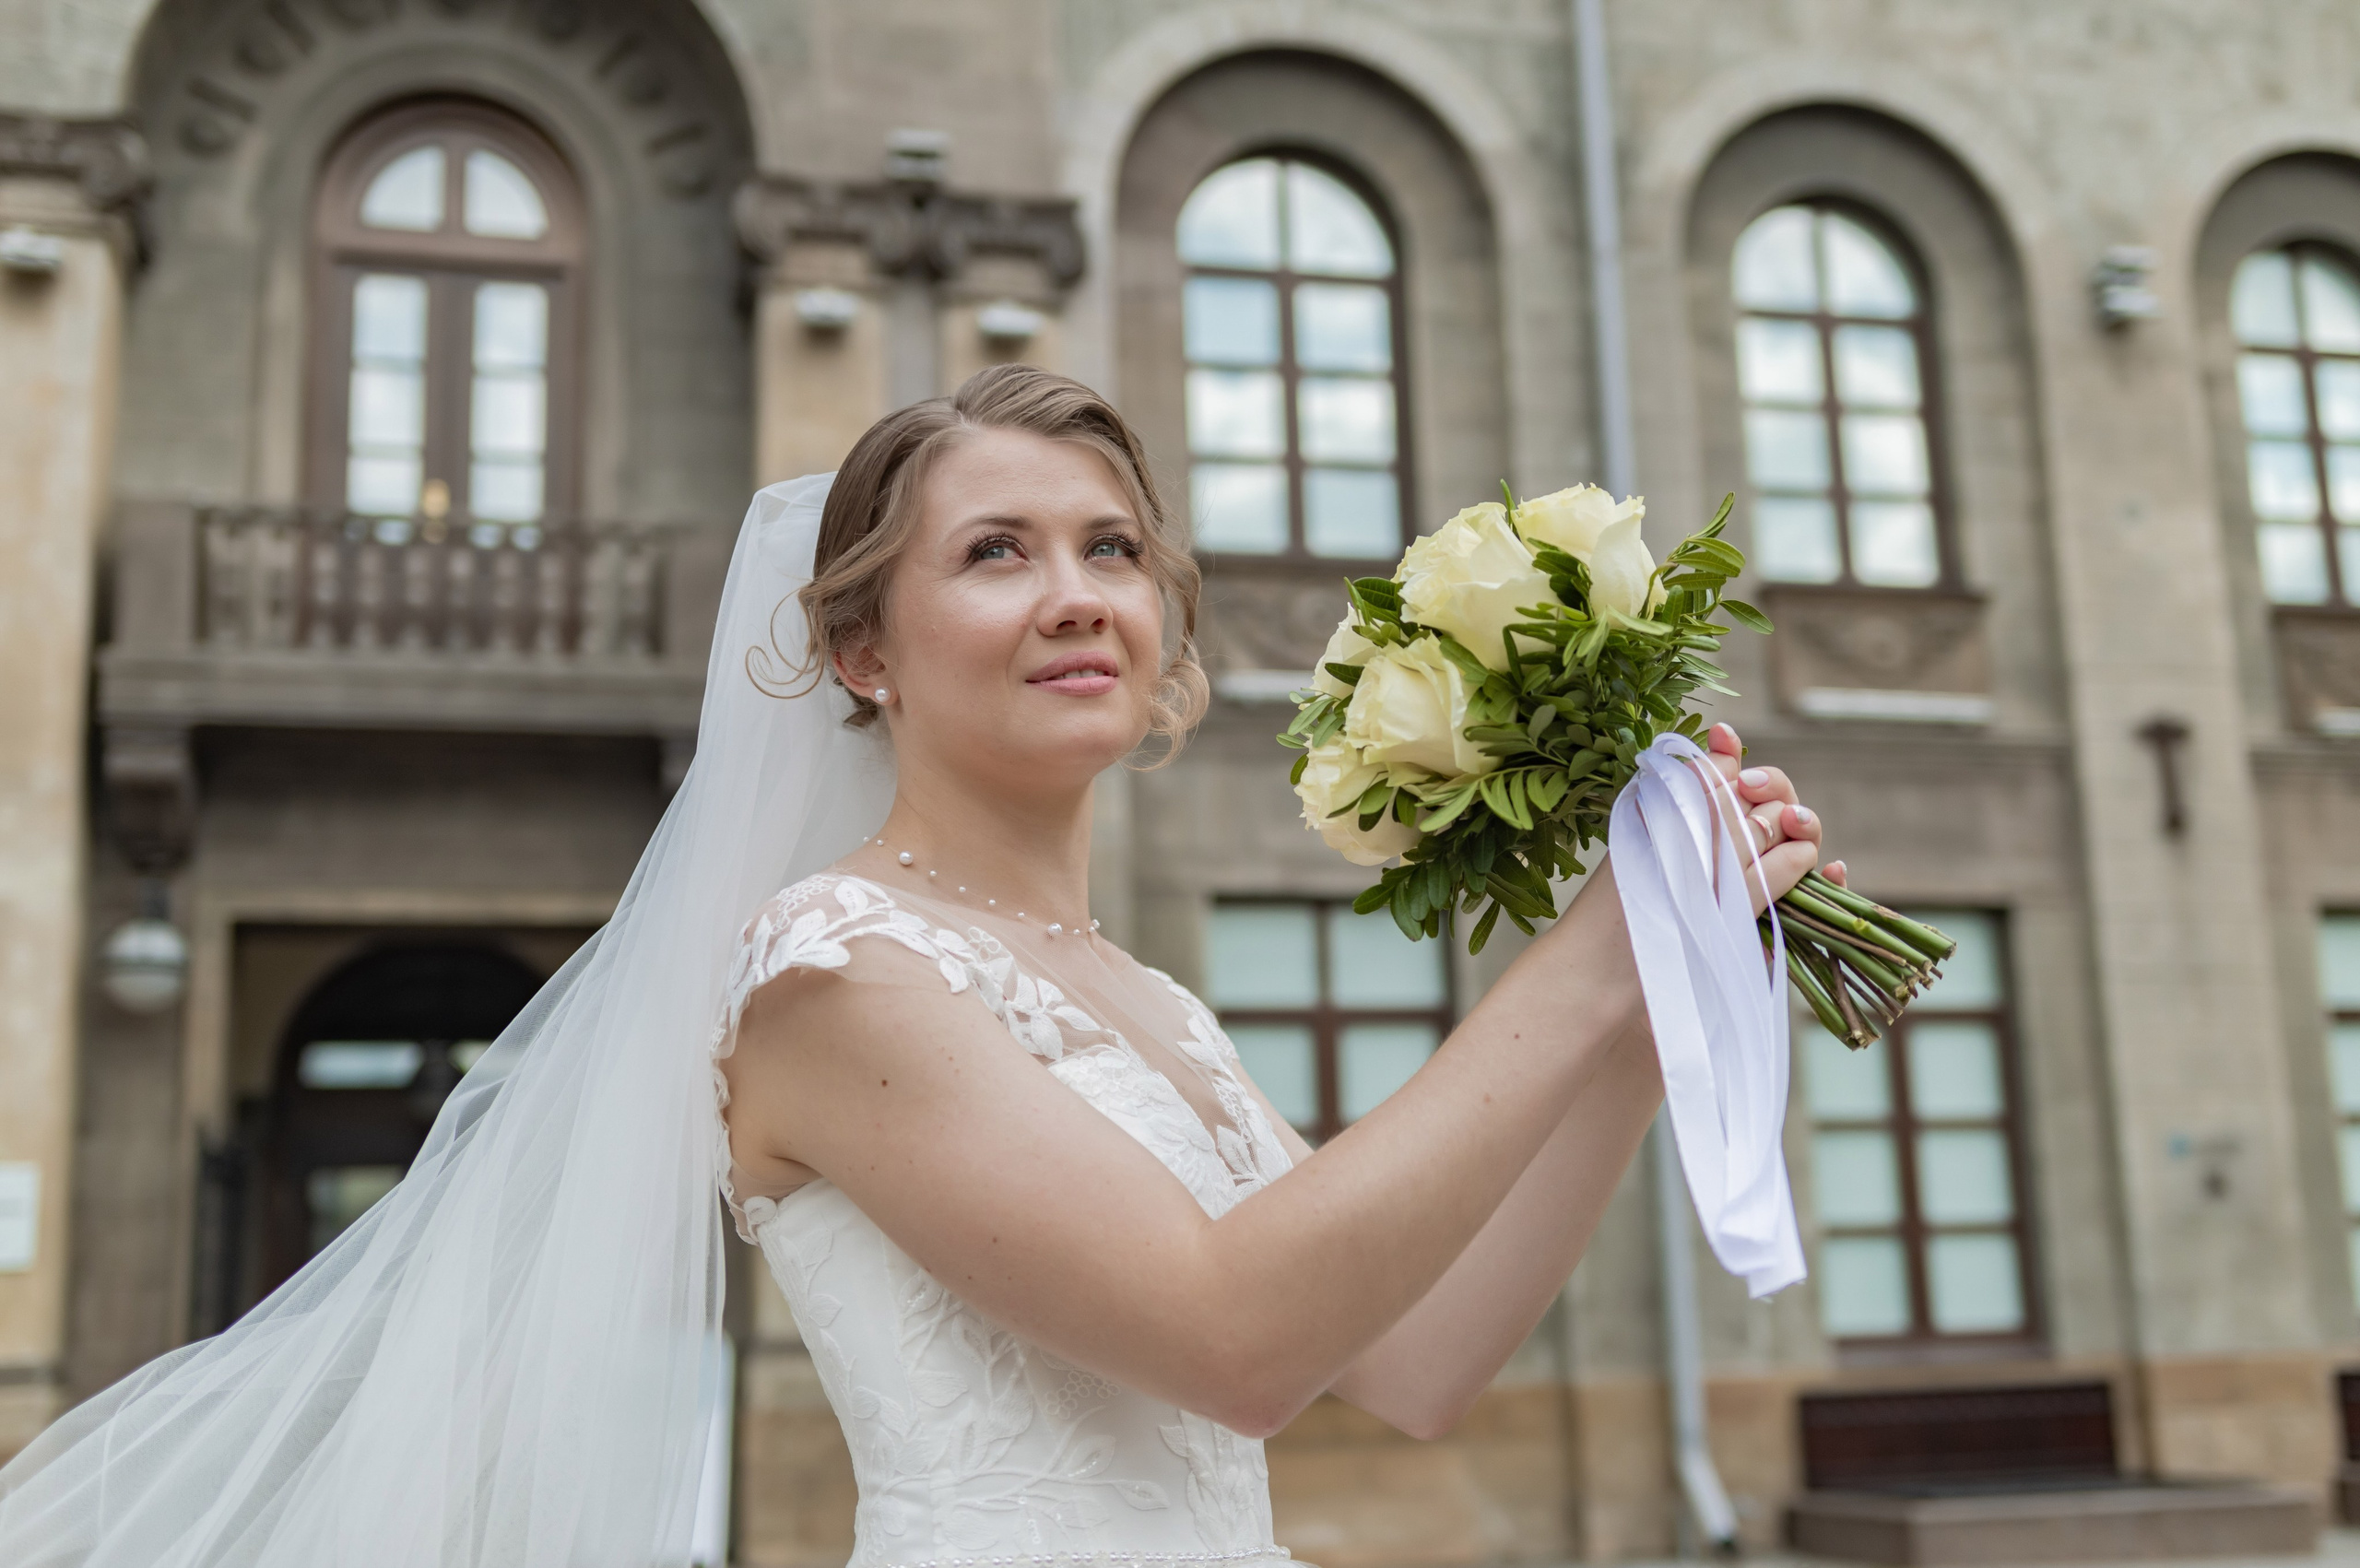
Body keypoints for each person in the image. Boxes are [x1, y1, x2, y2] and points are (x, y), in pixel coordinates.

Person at [0, 364, 1834, 1566]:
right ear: (862, 653)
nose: (1076, 591)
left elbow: (1415, 1359)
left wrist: (1659, 1005)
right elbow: (1236, 1336)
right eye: (995, 551)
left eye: (1112, 547)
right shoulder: (828, 980)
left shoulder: (1151, 997)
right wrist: (1577, 968)